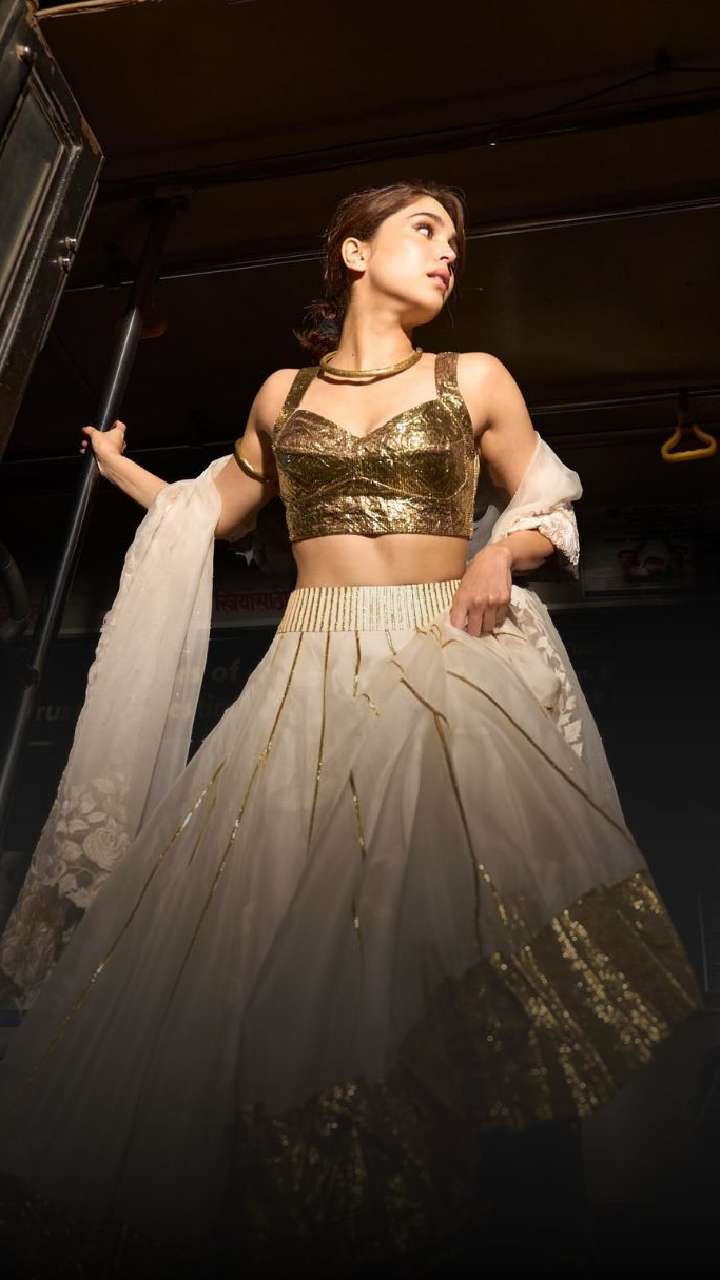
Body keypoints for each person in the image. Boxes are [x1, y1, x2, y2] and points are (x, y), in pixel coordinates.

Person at [0, 181, 701, 1276]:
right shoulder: (282, 395)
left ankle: (494, 1201)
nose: (449, 251)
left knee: (438, 920)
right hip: (309, 671)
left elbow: (549, 502)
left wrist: (496, 551)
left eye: (457, 239)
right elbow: (213, 508)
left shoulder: (472, 378)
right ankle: (323, 1196)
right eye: (426, 230)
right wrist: (126, 468)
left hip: (444, 665)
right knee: (282, 925)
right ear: (355, 252)